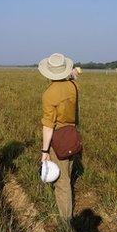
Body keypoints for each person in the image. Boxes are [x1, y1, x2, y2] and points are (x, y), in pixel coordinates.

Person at [38, 53, 79, 220]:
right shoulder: (74, 86)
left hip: (58, 138)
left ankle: (65, 221)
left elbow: (48, 126)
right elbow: (72, 76)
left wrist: (44, 151)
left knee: (62, 183)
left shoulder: (49, 94)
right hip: (72, 134)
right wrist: (72, 74)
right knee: (67, 174)